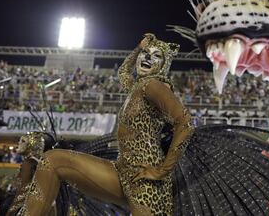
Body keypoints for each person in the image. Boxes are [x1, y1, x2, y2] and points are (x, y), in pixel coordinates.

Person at [19, 33, 195, 215]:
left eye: (157, 55)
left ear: (164, 65)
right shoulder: (138, 87)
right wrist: (137, 48)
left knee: (53, 160)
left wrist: (163, 171)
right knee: (52, 160)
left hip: (145, 181)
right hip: (121, 171)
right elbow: (123, 72)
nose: (148, 56)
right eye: (145, 53)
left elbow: (185, 123)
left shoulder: (154, 86)